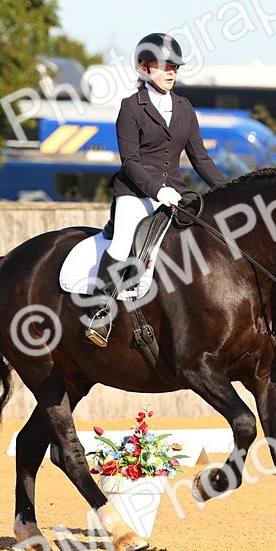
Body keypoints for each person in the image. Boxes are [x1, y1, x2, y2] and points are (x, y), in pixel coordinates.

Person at [84, 32, 229, 347]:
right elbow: (130, 162)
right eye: (164, 66)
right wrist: (157, 190)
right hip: (135, 190)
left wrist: (230, 192)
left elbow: (201, 160)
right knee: (123, 243)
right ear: (144, 68)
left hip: (176, 190)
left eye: (175, 67)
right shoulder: (131, 107)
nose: (171, 72)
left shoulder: (185, 107)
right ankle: (99, 312)